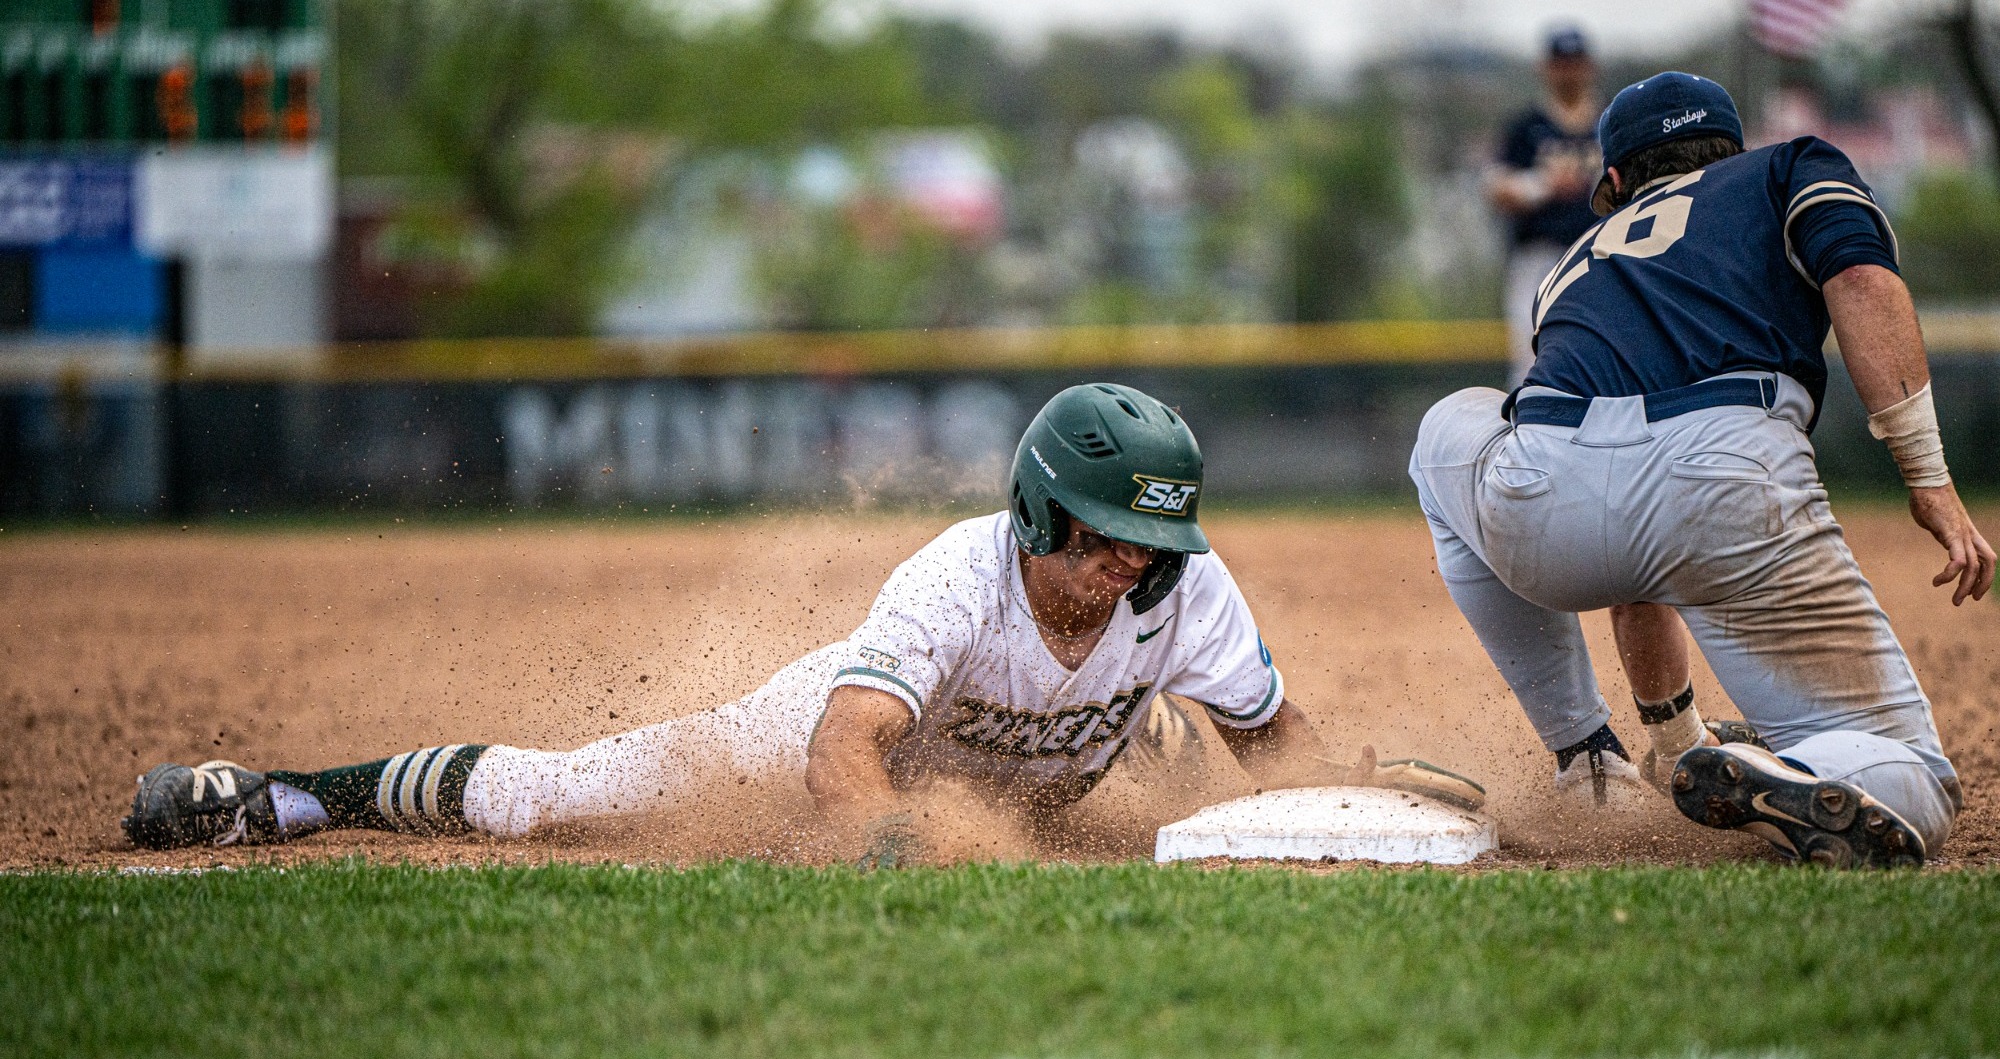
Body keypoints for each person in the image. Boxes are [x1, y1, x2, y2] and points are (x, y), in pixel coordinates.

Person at [123, 383, 1483, 862]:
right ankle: (284, 797)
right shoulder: (954, 579)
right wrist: (909, 842)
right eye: (1114, 539)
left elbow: (1277, 738)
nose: (1137, 568)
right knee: (559, 798)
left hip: (1038, 769)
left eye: (1158, 544)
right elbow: (844, 756)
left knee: (1167, 753)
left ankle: (1144, 749)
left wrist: (1354, 806)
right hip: (805, 730)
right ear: (1040, 513)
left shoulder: (1186, 589)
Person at [1410, 71, 1995, 867]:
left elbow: (1632, 547)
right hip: (1735, 479)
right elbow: (1860, 278)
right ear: (1729, 150)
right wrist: (1928, 480)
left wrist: (1673, 733)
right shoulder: (1786, 166)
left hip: (1547, 494)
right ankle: (1800, 773)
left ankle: (1588, 757)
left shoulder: (1574, 263)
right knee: (1916, 779)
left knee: (1447, 428)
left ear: (1614, 182)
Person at [1488, 26, 1603, 389]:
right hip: (1537, 256)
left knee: (1602, 352)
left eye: (1575, 62)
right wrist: (1542, 185)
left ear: (1589, 66)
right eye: (1560, 62)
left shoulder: (1609, 123)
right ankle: (1526, 432)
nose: (1568, 70)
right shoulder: (1526, 127)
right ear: (1545, 68)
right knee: (1530, 358)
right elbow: (1496, 189)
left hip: (1599, 251)